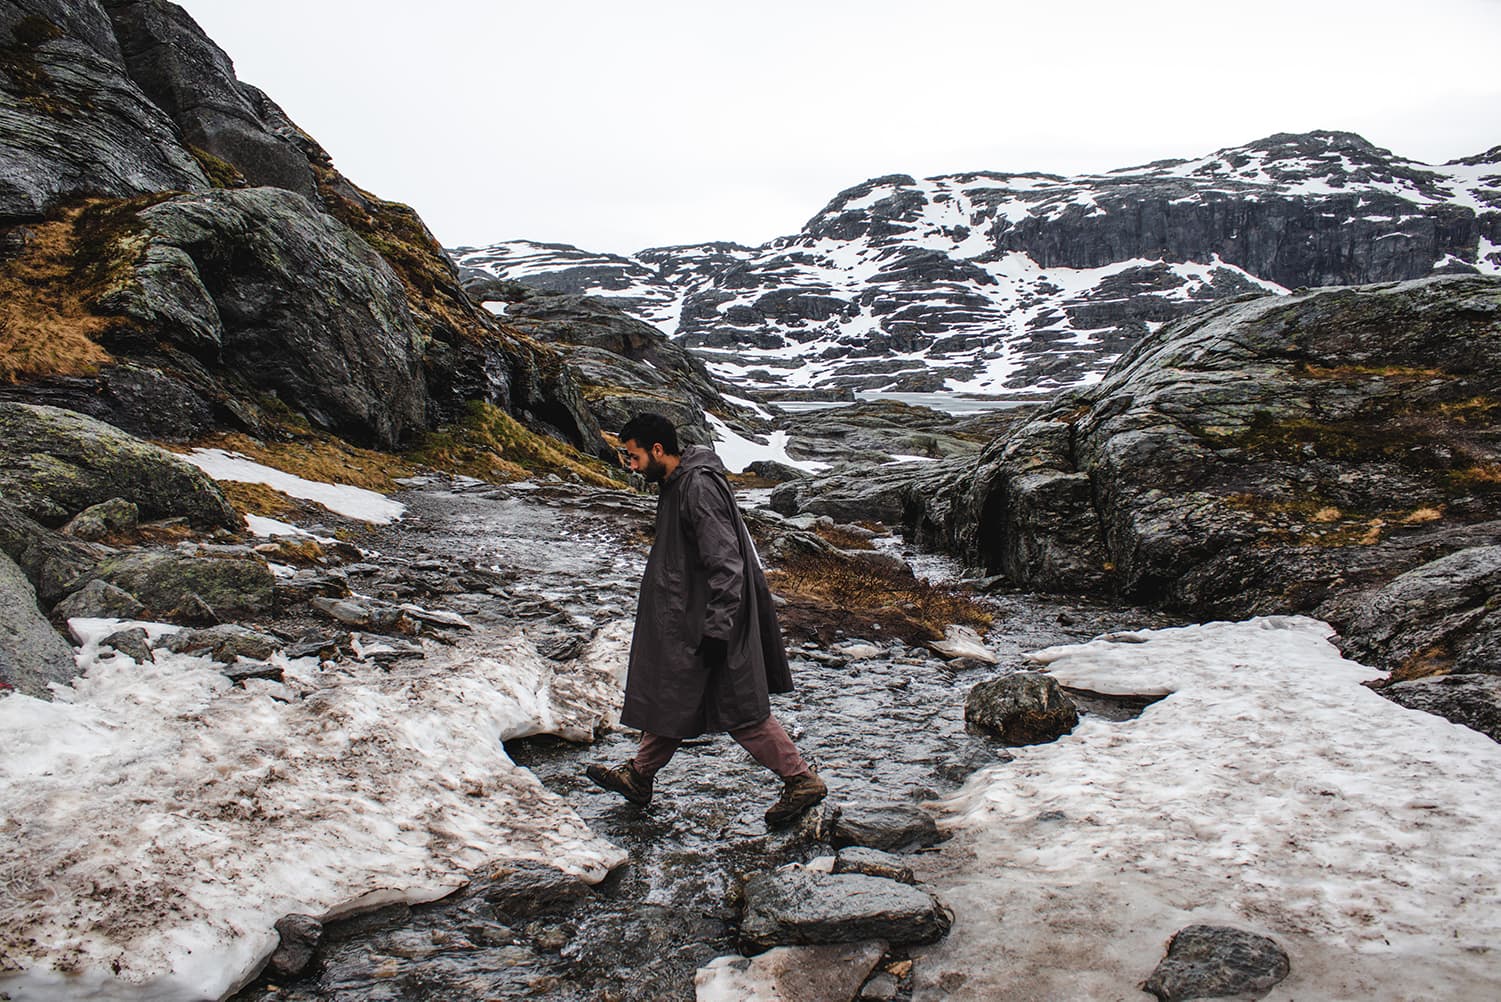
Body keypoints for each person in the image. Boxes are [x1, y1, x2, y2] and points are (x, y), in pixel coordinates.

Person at [587, 412, 827, 826]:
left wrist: (718, 629)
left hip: (714, 620)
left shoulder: (697, 487)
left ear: (658, 450)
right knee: (673, 694)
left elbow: (726, 563)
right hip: (692, 617)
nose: (630, 465)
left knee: (742, 709)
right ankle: (639, 776)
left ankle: (800, 780)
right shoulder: (677, 483)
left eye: (633, 456)